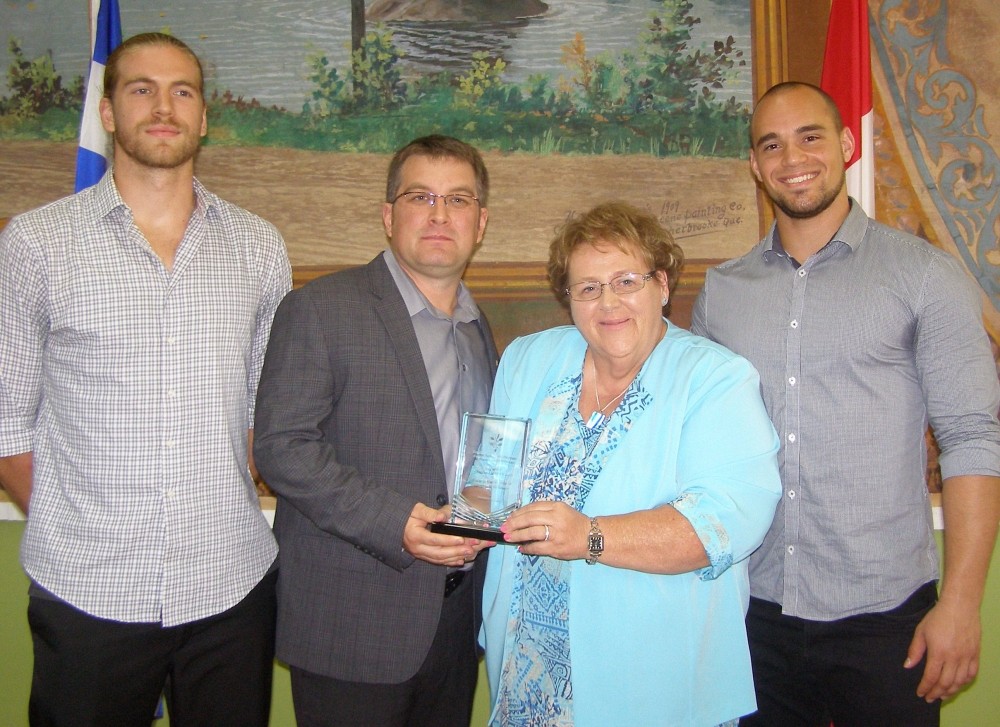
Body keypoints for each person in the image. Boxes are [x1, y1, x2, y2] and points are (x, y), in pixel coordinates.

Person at [0, 32, 291, 726]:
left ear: (204, 117)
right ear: (107, 112)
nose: (164, 107)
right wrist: (87, 539)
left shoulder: (259, 247)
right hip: (87, 598)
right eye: (142, 89)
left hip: (231, 593)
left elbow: (264, 417)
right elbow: (8, 430)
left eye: (183, 91)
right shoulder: (35, 244)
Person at [691, 82, 1000, 725]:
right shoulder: (722, 293)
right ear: (754, 165)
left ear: (847, 144)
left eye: (811, 136)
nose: (792, 157)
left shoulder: (926, 276)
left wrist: (962, 603)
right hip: (753, 616)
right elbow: (699, 450)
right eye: (771, 144)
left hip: (886, 620)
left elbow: (972, 438)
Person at [479, 201, 783, 726]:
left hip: (656, 681)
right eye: (588, 287)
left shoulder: (716, 379)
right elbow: (489, 482)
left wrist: (590, 536)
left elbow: (725, 522)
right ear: (568, 298)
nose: (608, 302)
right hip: (527, 676)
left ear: (662, 285)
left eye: (626, 280)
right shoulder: (527, 360)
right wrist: (457, 522)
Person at [253, 135, 499, 727]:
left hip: (456, 621)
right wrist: (395, 522)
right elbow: (281, 448)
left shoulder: (476, 326)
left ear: (481, 222)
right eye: (421, 197)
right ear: (389, 216)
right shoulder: (321, 309)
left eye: (459, 200)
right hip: (352, 625)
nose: (441, 215)